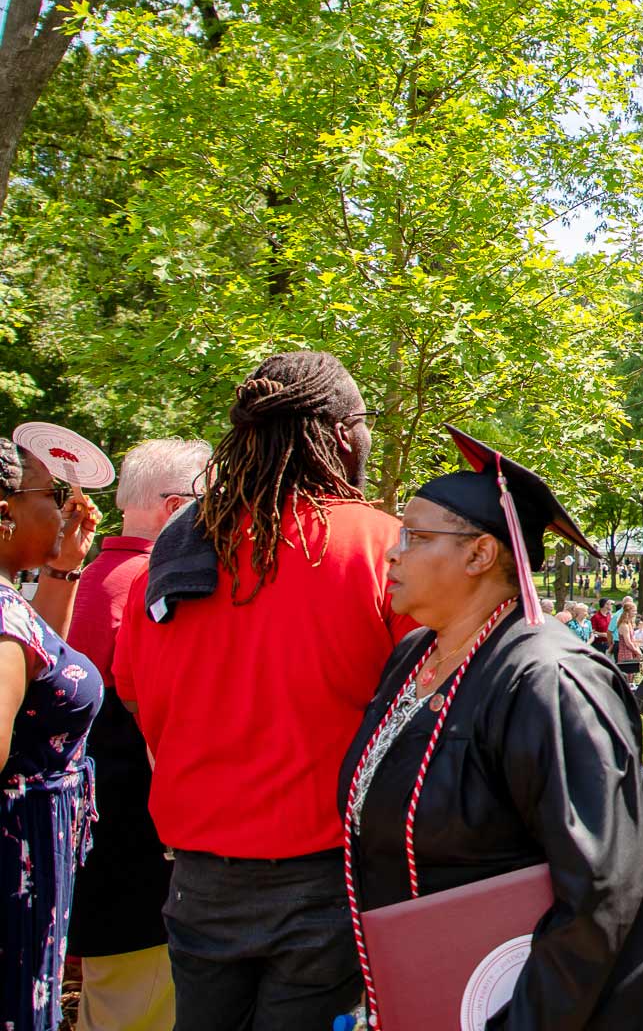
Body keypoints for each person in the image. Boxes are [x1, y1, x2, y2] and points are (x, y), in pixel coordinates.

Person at [339, 425, 643, 1027]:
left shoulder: (551, 681)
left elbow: (603, 886)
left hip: (545, 1004)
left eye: (416, 537)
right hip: (440, 990)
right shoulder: (414, 656)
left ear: (480, 554)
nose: (392, 553)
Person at [112, 352, 411, 1029]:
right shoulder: (386, 550)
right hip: (325, 879)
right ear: (342, 435)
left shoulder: (171, 554)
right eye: (364, 425)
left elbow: (134, 697)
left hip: (198, 880)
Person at [67, 438, 208, 1031]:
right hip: (137, 852)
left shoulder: (87, 578)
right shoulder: (154, 588)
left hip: (95, 850)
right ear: (175, 507)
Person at [2, 435, 104, 1030]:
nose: (66, 505)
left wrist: (64, 565)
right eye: (51, 494)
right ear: (6, 510)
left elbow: (44, 663)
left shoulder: (12, 607)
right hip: (14, 867)